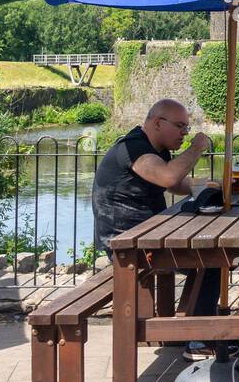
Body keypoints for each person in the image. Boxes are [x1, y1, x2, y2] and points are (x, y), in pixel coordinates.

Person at [91, 98, 220, 359]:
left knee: (211, 255)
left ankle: (194, 327)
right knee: (213, 257)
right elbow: (168, 177)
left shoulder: (155, 149)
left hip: (146, 237)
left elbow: (172, 184)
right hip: (127, 245)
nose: (185, 132)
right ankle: (196, 338)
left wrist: (210, 184)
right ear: (158, 123)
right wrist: (196, 148)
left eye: (187, 127)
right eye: (180, 126)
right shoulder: (133, 148)